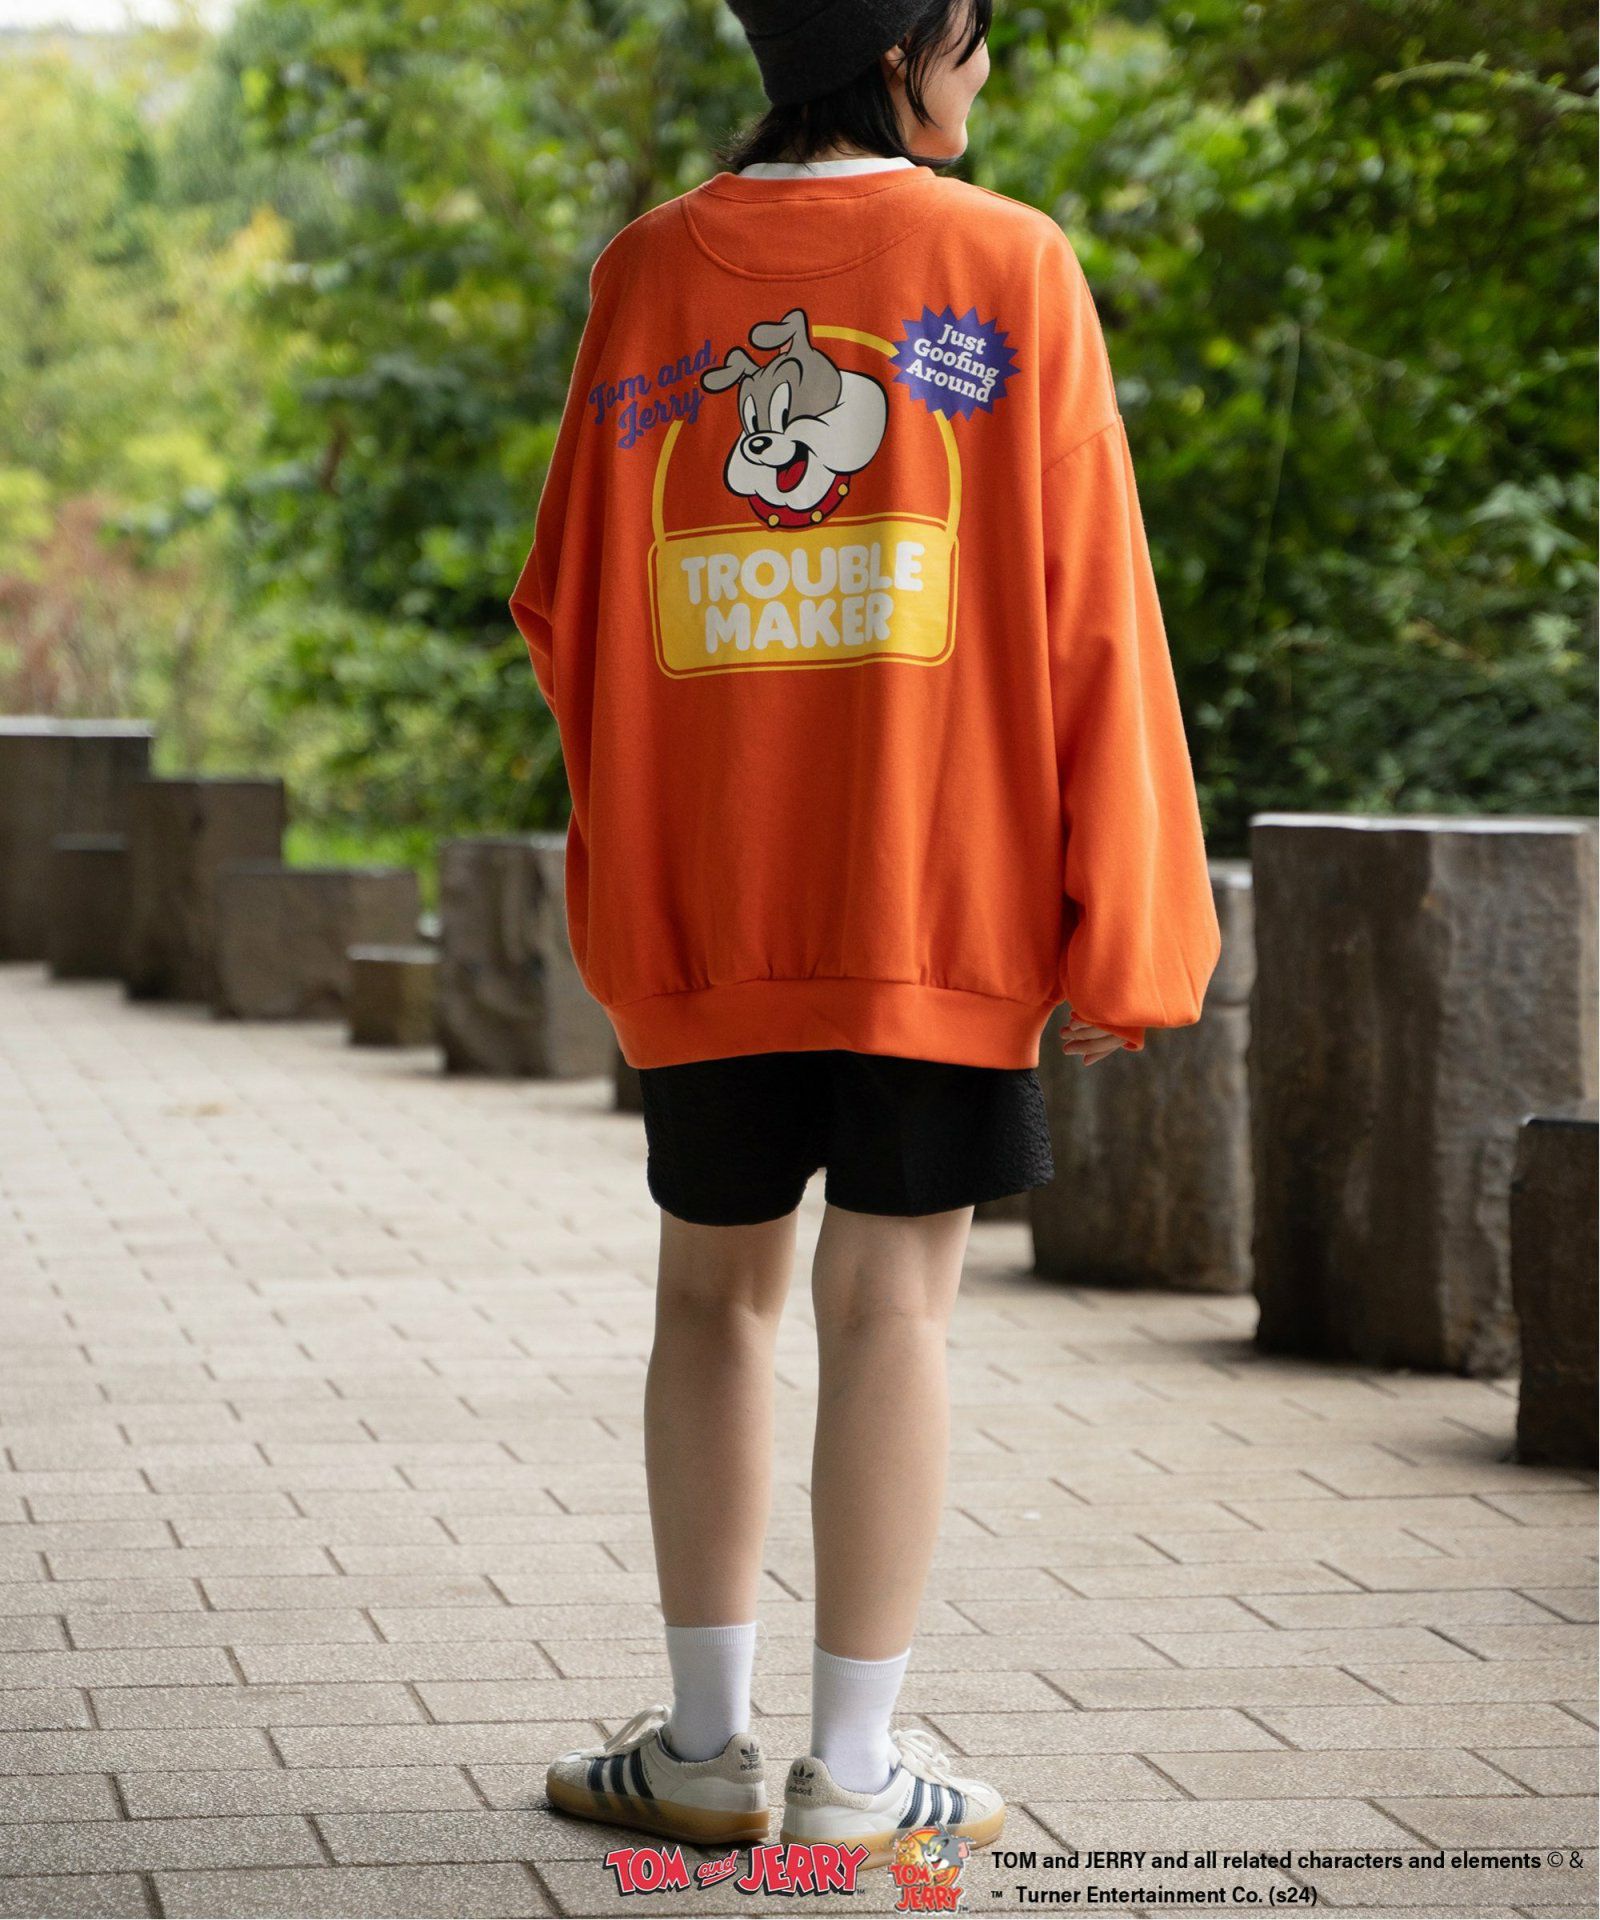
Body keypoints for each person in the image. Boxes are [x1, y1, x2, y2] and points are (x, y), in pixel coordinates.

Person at [509, 0, 1221, 1870]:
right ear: (903, 51)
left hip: (714, 910)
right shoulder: (1011, 264)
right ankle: (852, 1769)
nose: (986, 72)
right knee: (894, 1303)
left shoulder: (649, 273)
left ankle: (702, 1753)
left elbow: (569, 608)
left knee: (710, 1298)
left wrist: (655, 851)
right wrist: (1130, 925)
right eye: (974, 35)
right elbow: (1094, 614)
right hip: (939, 902)